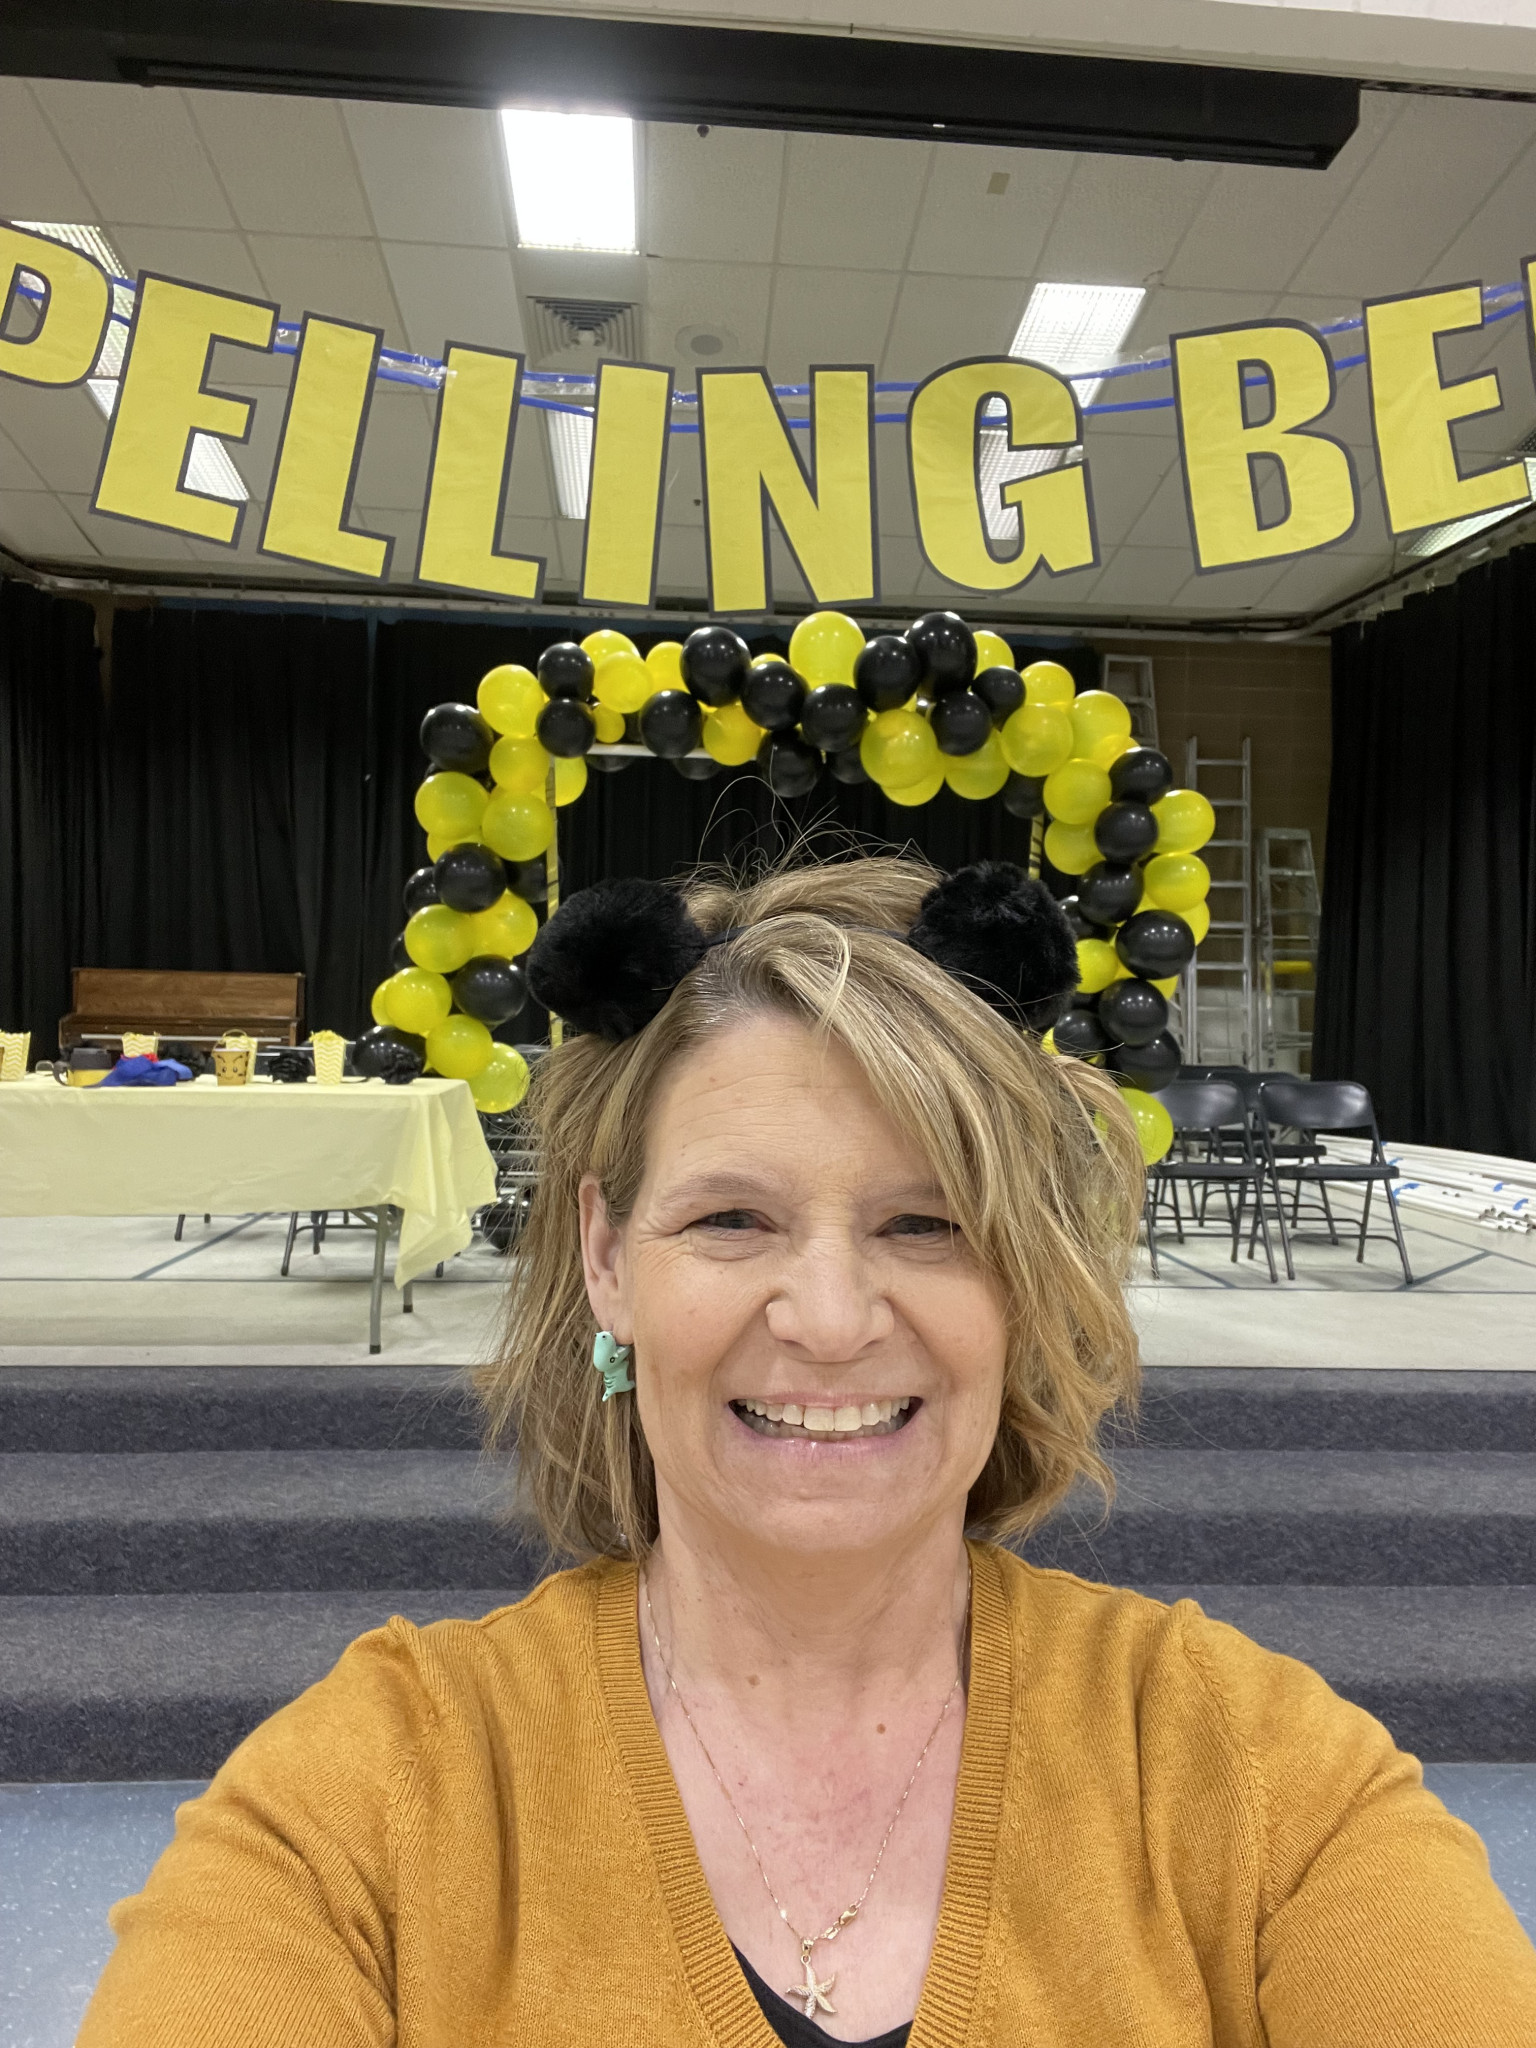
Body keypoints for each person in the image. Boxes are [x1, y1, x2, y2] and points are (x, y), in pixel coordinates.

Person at [80, 855, 1536, 2047]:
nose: (831, 1322)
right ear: (605, 1258)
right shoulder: (365, 1804)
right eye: (732, 1219)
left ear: (1024, 1274)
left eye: (928, 1222)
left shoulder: (1260, 1776)